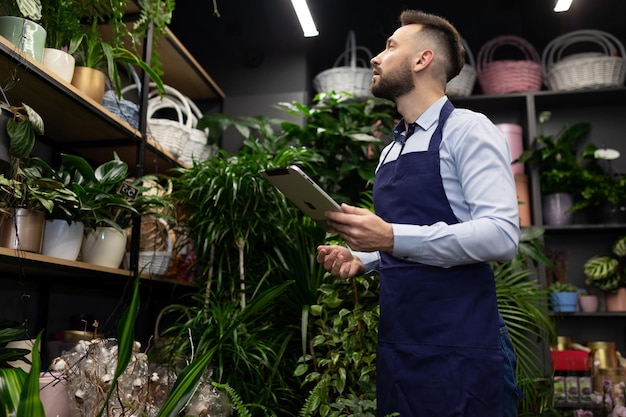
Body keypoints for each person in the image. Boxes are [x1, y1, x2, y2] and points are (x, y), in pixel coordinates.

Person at [316, 9, 522, 417]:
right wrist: (364, 257)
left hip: (464, 348)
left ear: (422, 60)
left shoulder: (469, 129)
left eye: (390, 47)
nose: (375, 58)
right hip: (400, 347)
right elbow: (405, 237)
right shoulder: (391, 150)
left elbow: (501, 235)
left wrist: (389, 237)